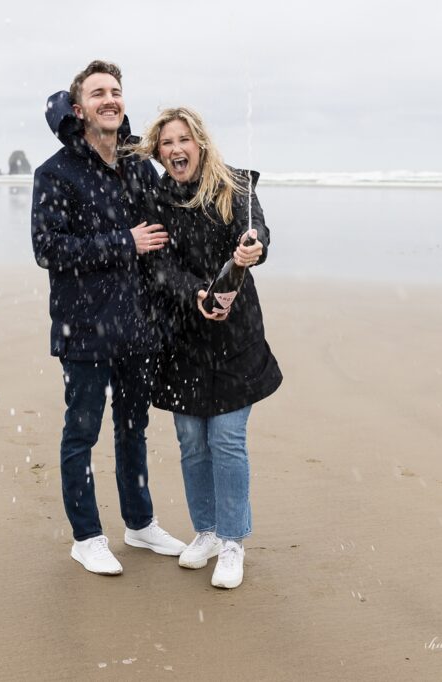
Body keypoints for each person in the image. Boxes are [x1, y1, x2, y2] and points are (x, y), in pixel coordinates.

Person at [30, 60, 187, 576]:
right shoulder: (55, 173)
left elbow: (170, 223)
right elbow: (47, 248)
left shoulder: (140, 165)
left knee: (133, 429)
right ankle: (87, 535)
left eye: (116, 91)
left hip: (138, 325)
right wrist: (124, 242)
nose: (110, 99)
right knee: (82, 433)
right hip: (84, 326)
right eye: (98, 92)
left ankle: (139, 525)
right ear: (79, 109)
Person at [129, 107, 282, 589]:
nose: (176, 149)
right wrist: (195, 292)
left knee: (227, 440)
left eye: (184, 139)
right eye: (167, 143)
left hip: (236, 335)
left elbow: (258, 237)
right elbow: (156, 267)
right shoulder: (155, 198)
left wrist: (251, 250)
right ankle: (208, 532)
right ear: (159, 152)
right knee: (192, 442)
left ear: (200, 143)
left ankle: (234, 542)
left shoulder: (236, 187)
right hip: (182, 335)